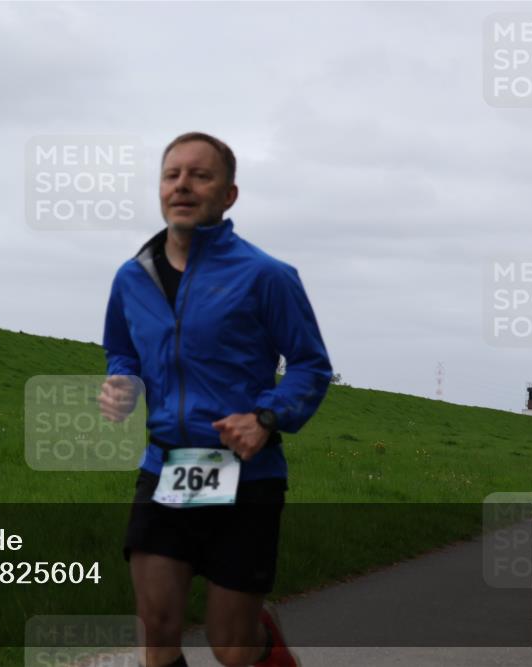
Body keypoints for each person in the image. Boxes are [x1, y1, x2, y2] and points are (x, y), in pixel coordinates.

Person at [99, 132, 332, 667]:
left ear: (228, 195)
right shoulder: (132, 277)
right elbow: (122, 350)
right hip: (166, 467)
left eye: (200, 175)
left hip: (245, 474)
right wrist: (122, 383)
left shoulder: (266, 276)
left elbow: (310, 365)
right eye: (171, 174)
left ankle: (258, 638)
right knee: (156, 633)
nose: (182, 185)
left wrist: (266, 418)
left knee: (232, 646)